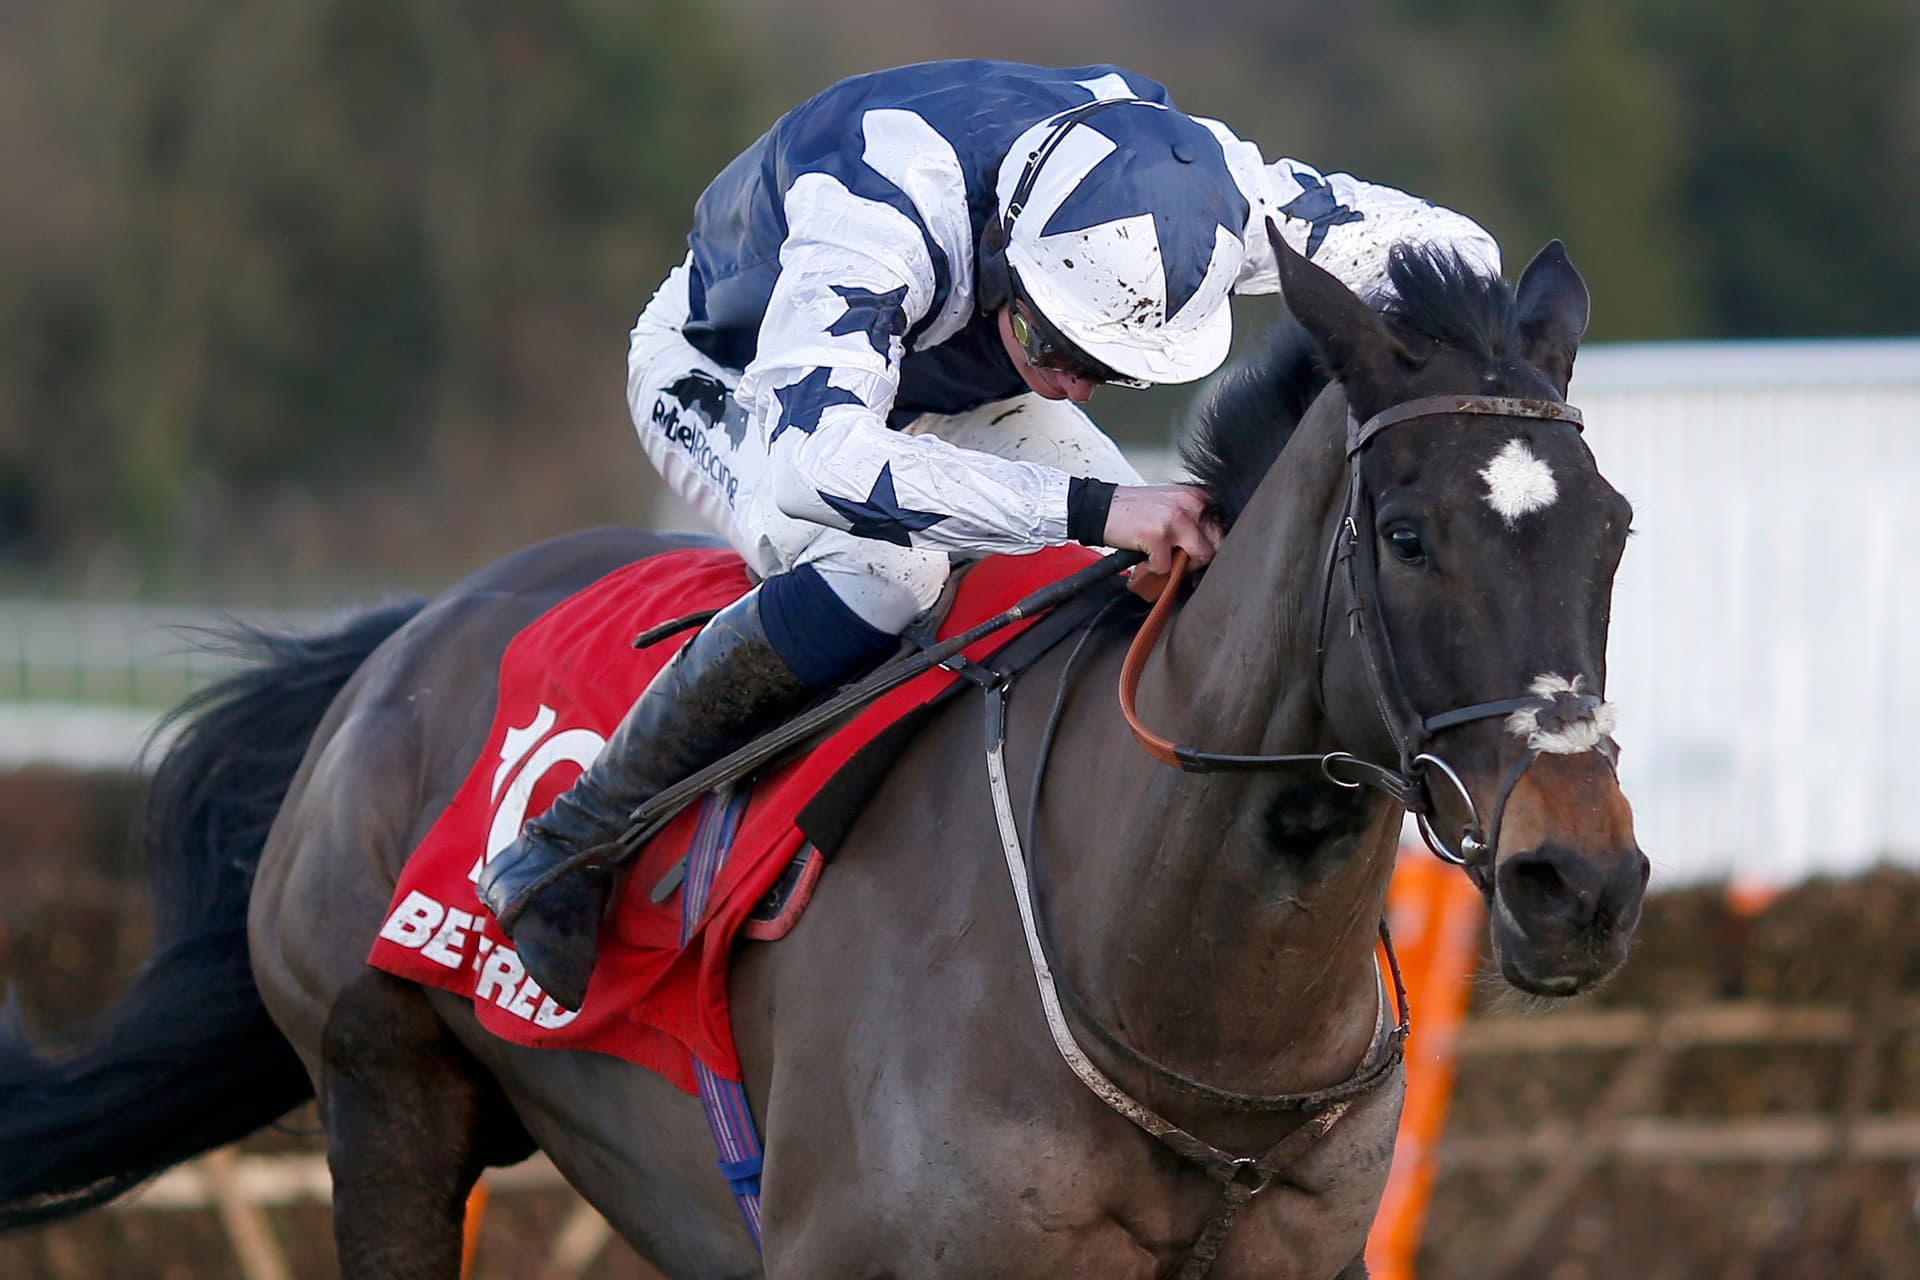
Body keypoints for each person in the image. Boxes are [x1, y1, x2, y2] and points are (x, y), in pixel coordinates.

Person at [478, 59, 1501, 1008]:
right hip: (746, 380)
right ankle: (573, 840)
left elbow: (1464, 255)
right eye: (1057, 341)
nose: (1074, 383)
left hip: (949, 380)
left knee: (1170, 571)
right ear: (1014, 247)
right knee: (889, 570)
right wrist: (1100, 510)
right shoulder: (878, 207)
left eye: (1111, 366)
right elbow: (816, 463)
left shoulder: (1213, 188)